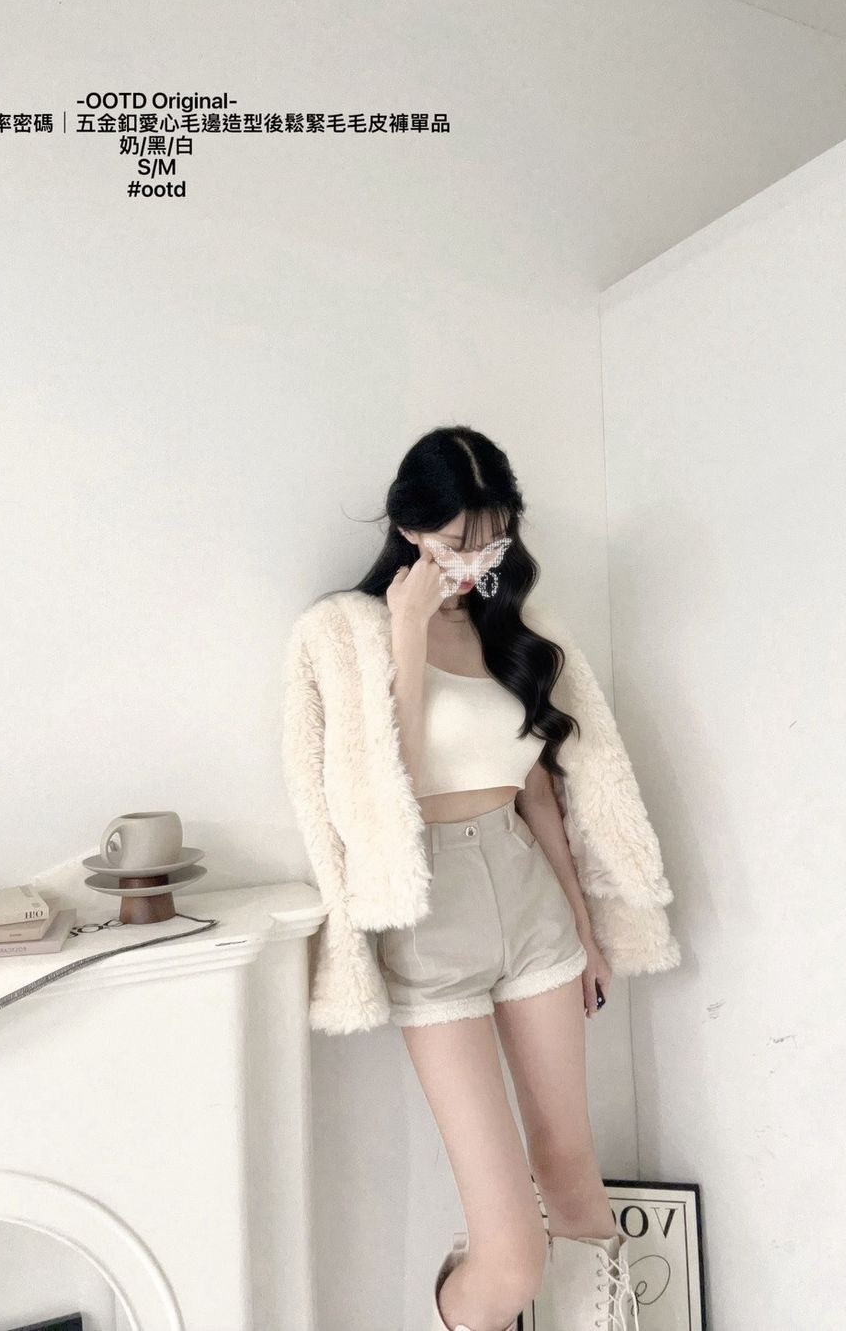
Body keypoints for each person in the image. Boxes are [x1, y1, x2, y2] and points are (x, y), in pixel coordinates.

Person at [281, 425, 679, 1331]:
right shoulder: (344, 634)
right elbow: (381, 790)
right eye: (458, 542)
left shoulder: (512, 628)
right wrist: (408, 628)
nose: (475, 562)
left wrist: (585, 930)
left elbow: (538, 792)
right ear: (409, 526)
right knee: (511, 1260)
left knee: (575, 1180)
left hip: (531, 900)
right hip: (430, 919)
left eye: (493, 541)